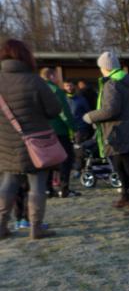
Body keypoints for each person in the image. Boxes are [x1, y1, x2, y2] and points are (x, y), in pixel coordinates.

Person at [0, 39, 62, 239]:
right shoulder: (35, 81)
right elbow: (54, 110)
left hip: (6, 144)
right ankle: (36, 228)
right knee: (37, 185)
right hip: (37, 143)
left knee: (8, 183)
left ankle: (1, 226)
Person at [83, 51, 129, 216]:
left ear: (104, 68)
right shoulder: (126, 82)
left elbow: (111, 110)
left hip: (121, 132)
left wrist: (91, 117)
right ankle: (126, 197)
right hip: (126, 130)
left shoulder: (112, 84)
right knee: (120, 165)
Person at [40, 68, 79, 198]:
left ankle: (47, 189)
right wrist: (74, 128)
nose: (59, 79)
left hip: (42, 131)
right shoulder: (56, 90)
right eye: (57, 76)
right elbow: (64, 112)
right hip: (59, 130)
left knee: (48, 161)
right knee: (65, 159)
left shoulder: (37, 89)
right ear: (51, 76)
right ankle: (64, 188)